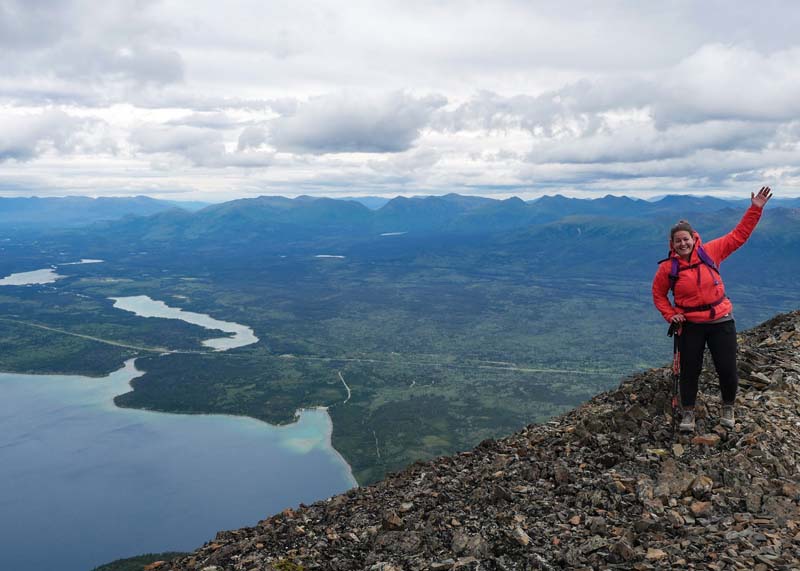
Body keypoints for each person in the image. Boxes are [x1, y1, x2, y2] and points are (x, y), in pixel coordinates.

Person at [652, 186, 773, 432]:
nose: (683, 243)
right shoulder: (667, 269)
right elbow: (658, 294)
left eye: (686, 239)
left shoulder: (711, 252)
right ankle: (688, 413)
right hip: (690, 324)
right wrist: (670, 314)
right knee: (690, 371)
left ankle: (728, 406)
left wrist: (755, 209)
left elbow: (739, 235)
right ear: (672, 244)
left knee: (727, 368)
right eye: (678, 241)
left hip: (720, 320)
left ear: (694, 238)